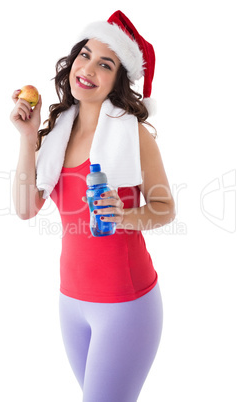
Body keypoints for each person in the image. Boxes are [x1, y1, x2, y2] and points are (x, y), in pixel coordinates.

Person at [10, 10, 175, 402]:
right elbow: (24, 207)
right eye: (84, 55)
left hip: (126, 306)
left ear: (117, 80)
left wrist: (127, 216)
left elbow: (165, 207)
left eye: (105, 64)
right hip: (71, 302)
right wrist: (27, 137)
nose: (88, 68)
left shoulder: (133, 134)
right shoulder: (55, 136)